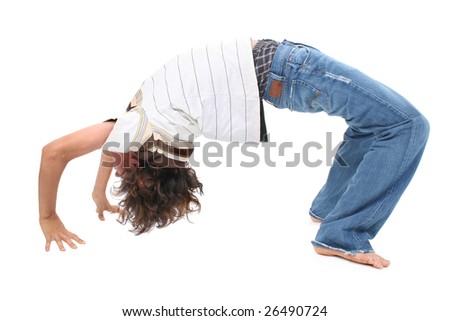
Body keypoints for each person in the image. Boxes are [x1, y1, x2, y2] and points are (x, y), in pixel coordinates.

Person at [39, 38, 429, 269]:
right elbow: (60, 153)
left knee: (372, 124)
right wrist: (55, 213)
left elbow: (86, 152)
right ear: (141, 168)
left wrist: (93, 196)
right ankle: (342, 235)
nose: (120, 168)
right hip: (289, 70)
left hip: (282, 70)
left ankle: (329, 211)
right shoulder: (138, 125)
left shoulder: (135, 130)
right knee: (407, 125)